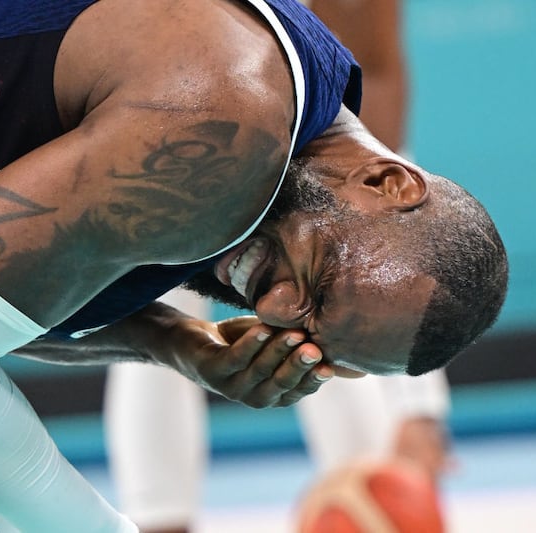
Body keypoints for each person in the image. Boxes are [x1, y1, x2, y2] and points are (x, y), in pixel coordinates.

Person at [0, 1, 508, 532]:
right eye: (318, 288)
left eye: (309, 333)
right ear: (383, 181)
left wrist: (175, 344)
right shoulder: (226, 125)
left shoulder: (277, 121)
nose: (273, 309)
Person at [104, 2, 453, 532]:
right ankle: (158, 520)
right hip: (157, 127)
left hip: (290, 144)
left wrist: (418, 407)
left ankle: (368, 481)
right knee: (156, 298)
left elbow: (377, 112)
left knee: (328, 288)